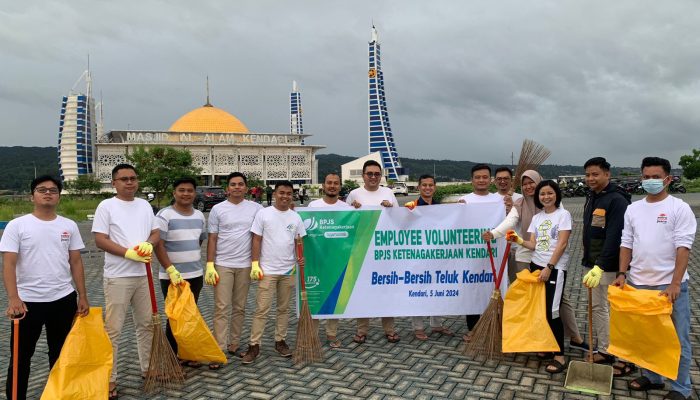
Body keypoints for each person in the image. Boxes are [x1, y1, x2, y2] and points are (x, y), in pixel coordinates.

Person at [1, 176, 89, 400]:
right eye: (42, 190)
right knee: (21, 357)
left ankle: (57, 395)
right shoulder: (17, 225)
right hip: (27, 303)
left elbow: (76, 262)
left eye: (53, 190)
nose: (48, 193)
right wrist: (13, 299)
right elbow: (9, 264)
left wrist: (82, 296)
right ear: (32, 196)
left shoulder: (69, 225)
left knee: (60, 354)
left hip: (63, 299)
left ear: (59, 196)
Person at [614, 157, 695, 400]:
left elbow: (683, 247)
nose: (651, 181)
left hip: (668, 286)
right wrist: (621, 273)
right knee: (647, 337)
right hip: (638, 284)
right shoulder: (633, 209)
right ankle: (652, 377)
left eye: (656, 177)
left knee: (676, 338)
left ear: (668, 179)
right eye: (646, 177)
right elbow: (626, 243)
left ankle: (681, 388)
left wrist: (675, 283)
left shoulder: (679, 208)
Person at [92, 164, 159, 400]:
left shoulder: (144, 205)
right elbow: (100, 240)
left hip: (143, 275)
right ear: (114, 183)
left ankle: (147, 368)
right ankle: (110, 378)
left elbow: (155, 232)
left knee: (146, 325)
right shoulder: (106, 206)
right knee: (113, 330)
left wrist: (149, 243)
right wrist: (126, 253)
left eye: (133, 178)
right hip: (118, 276)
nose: (129, 183)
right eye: (124, 179)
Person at [506, 180, 572, 374]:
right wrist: (517, 240)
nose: (546, 197)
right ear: (538, 197)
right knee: (541, 309)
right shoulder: (537, 218)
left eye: (550, 193)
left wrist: (550, 267)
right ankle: (546, 345)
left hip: (554, 269)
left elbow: (562, 244)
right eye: (542, 194)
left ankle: (559, 355)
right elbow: (534, 245)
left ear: (556, 194)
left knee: (553, 311)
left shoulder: (563, 215)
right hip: (537, 266)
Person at [241, 181, 306, 363]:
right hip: (267, 270)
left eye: (288, 194)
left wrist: (300, 257)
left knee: (283, 309)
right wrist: (255, 263)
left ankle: (280, 341)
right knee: (262, 309)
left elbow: (298, 242)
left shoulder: (295, 217)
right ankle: (254, 345)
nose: (285, 196)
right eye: (281, 193)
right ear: (275, 194)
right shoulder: (264, 214)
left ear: (292, 196)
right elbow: (256, 240)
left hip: (288, 270)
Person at [579, 157, 632, 373]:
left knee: (617, 311)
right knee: (598, 308)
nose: (590, 178)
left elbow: (615, 237)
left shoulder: (617, 200)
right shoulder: (592, 196)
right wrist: (590, 263)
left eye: (595, 174)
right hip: (592, 264)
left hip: (608, 267)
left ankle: (624, 357)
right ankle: (605, 349)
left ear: (607, 174)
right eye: (588, 174)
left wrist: (600, 265)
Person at [207, 172, 263, 369]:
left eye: (240, 184)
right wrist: (209, 264)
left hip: (246, 264)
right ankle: (219, 349)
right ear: (227, 188)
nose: (237, 187)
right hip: (223, 264)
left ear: (246, 188)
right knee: (221, 307)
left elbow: (265, 230)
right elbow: (212, 238)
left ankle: (234, 343)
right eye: (233, 184)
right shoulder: (217, 209)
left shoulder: (257, 208)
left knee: (239, 307)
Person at [153, 177, 207, 368]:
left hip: (195, 274)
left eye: (190, 190)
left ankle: (186, 352)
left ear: (195, 193)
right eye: (181, 190)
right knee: (175, 316)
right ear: (174, 193)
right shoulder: (164, 215)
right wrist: (170, 269)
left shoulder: (200, 216)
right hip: (172, 277)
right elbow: (158, 245)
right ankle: (172, 357)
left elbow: (198, 241)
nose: (186, 194)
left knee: (190, 315)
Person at [345, 160, 400, 344]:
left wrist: (391, 209)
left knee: (386, 290)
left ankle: (390, 329)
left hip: (384, 252)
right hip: (362, 251)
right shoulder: (354, 194)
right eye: (370, 174)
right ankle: (362, 330)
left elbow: (399, 221)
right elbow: (346, 219)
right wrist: (353, 209)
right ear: (363, 175)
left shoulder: (388, 193)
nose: (373, 177)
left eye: (377, 174)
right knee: (362, 290)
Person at [405, 174, 455, 341]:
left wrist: (460, 208)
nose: (427, 188)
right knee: (418, 290)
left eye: (430, 185)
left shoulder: (439, 208)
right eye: (424, 185)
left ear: (435, 187)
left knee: (437, 289)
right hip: (417, 257)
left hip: (436, 257)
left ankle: (436, 324)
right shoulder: (410, 207)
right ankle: (418, 327)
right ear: (418, 187)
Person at [307, 173, 352, 348]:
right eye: (329, 183)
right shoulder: (313, 206)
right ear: (323, 185)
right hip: (316, 259)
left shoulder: (347, 208)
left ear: (340, 186)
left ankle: (332, 334)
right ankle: (312, 334)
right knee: (316, 298)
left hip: (338, 260)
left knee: (335, 296)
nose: (332, 186)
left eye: (335, 183)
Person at [459, 164, 502, 342]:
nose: (481, 180)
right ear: (472, 180)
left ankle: (495, 327)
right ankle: (473, 328)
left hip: (495, 254)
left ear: (490, 180)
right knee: (473, 290)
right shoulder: (464, 200)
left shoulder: (498, 200)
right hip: (471, 255)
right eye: (478, 177)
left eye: (485, 177)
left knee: (494, 289)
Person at [493, 167, 523, 284]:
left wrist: (512, 209)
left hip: (516, 248)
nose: (502, 181)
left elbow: (528, 221)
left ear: (512, 180)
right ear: (494, 181)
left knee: (517, 284)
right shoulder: (491, 199)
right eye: (499, 179)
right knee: (498, 283)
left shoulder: (521, 198)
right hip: (497, 248)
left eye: (506, 178)